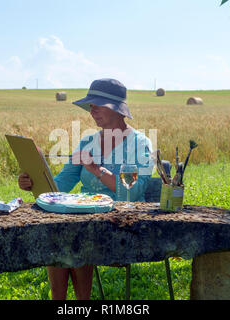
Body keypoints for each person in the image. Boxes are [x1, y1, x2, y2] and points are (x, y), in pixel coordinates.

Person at [18, 78, 153, 300]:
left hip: (121, 220)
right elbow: (64, 181)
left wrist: (96, 169)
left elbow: (133, 192)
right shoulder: (88, 141)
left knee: (76, 232)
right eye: (91, 106)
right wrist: (35, 183)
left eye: (97, 105)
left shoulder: (140, 143)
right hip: (85, 214)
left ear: (116, 108)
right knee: (60, 231)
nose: (92, 111)